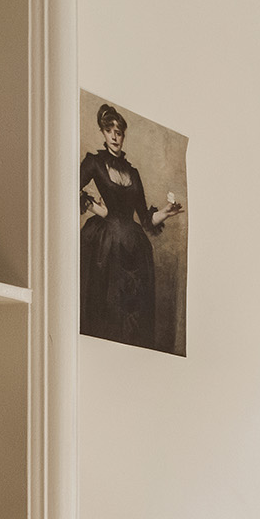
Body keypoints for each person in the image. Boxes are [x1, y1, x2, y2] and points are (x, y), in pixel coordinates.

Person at [79, 104, 182, 348]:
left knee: (133, 313)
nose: (114, 137)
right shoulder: (94, 162)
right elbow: (67, 184)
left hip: (134, 246)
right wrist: (98, 210)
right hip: (106, 245)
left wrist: (166, 213)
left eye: (119, 132)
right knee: (107, 305)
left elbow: (145, 219)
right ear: (103, 133)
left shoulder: (133, 173)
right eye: (109, 131)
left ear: (123, 136)